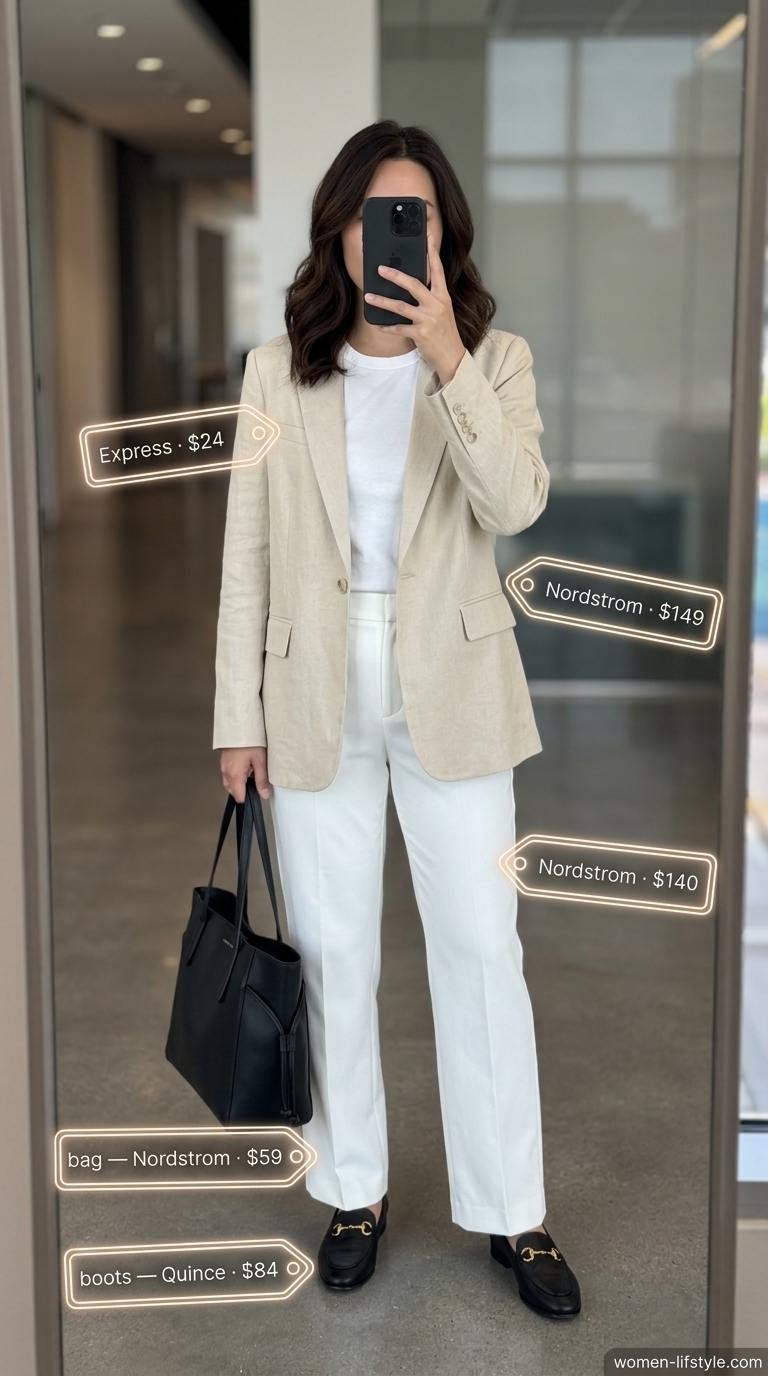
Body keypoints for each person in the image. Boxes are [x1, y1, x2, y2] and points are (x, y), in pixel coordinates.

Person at [214, 120, 581, 1319]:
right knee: (335, 956)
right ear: (338, 226)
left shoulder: (495, 356)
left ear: (443, 233)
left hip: (455, 687)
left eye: (415, 216)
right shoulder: (280, 370)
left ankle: (512, 1207)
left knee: (483, 951)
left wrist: (446, 358)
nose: (394, 236)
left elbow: (517, 498)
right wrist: (236, 715)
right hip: (312, 683)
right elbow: (248, 554)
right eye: (377, 214)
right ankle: (355, 1188)